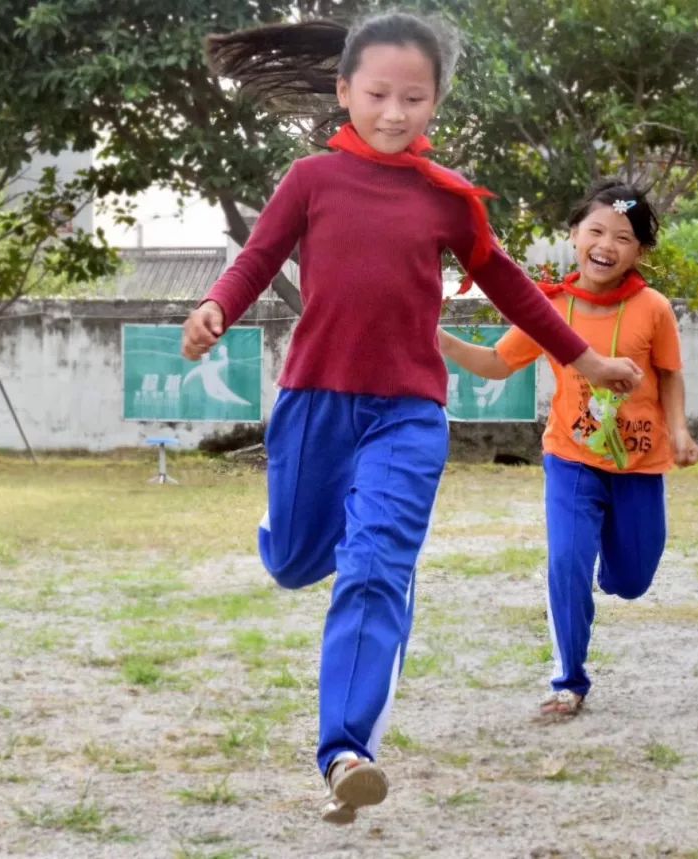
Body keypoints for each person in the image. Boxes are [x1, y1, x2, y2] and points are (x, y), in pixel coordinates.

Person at [181, 13, 642, 825]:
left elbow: (508, 285)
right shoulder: (310, 180)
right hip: (315, 404)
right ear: (344, 92)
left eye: (414, 98)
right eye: (379, 95)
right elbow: (256, 257)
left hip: (408, 412)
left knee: (373, 568)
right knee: (293, 562)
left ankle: (345, 752)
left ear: (437, 102)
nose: (396, 112)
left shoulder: (447, 198)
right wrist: (218, 304)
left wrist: (584, 358)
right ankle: (299, 537)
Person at [438, 179, 698, 720]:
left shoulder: (654, 308)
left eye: (623, 237)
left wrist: (680, 431)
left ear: (640, 250)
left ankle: (609, 564)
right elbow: (495, 364)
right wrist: (434, 336)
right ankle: (569, 682)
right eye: (596, 230)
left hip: (638, 463)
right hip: (570, 458)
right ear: (575, 234)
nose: (607, 244)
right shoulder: (548, 307)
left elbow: (670, 376)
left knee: (631, 580)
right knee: (566, 563)